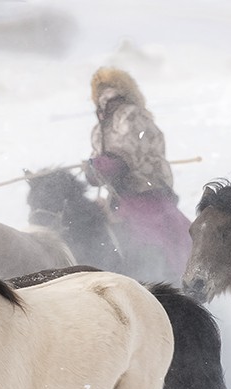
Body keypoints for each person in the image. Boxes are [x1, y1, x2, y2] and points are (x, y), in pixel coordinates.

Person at [84, 66, 192, 285]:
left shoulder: (131, 115)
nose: (105, 95)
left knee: (151, 239)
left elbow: (128, 154)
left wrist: (105, 164)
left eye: (109, 89)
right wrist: (94, 169)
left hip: (146, 192)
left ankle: (164, 282)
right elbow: (103, 166)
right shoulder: (100, 127)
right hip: (120, 197)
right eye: (101, 90)